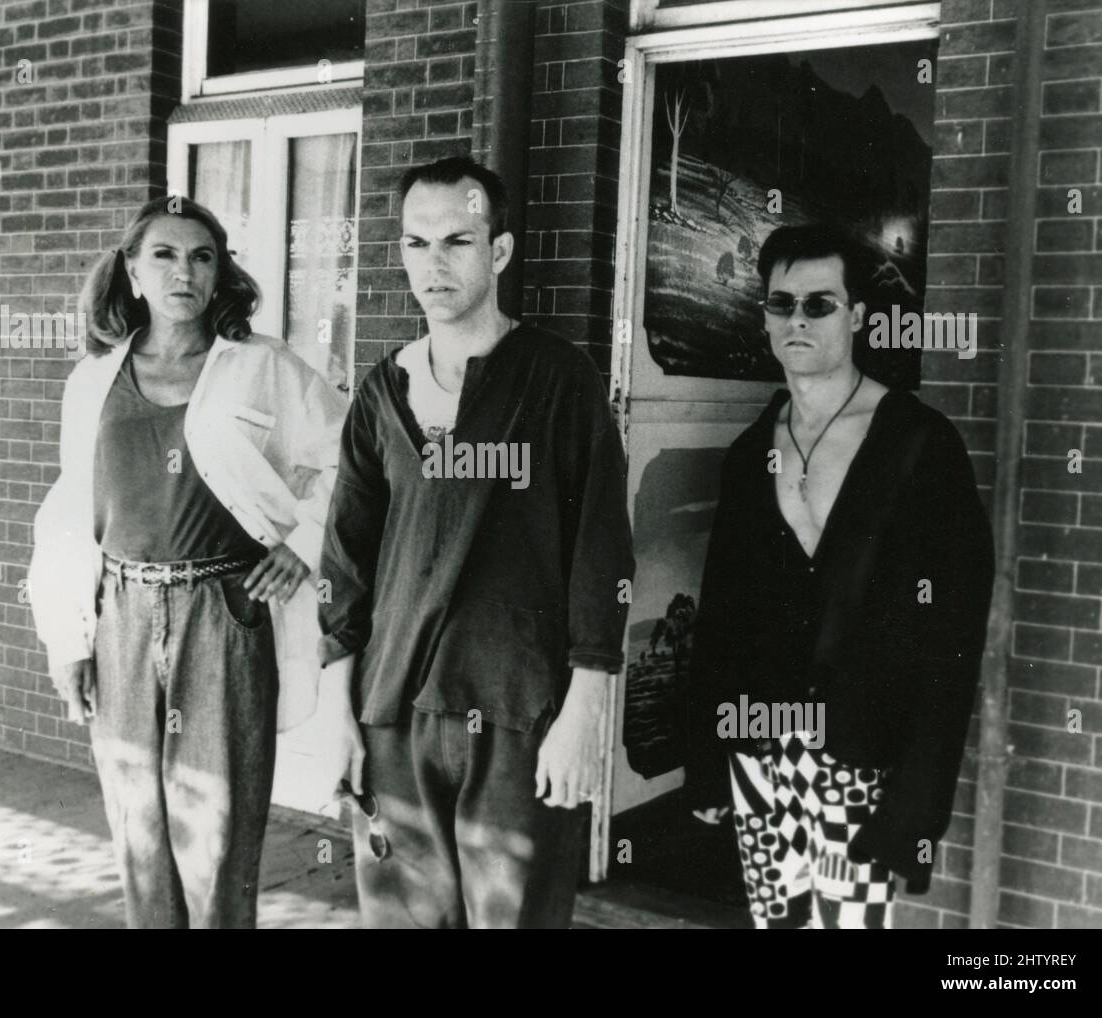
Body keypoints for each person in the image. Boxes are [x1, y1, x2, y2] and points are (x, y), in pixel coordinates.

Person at [315, 156, 634, 928]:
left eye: (458, 240)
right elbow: (345, 561)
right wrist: (338, 709)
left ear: (499, 252)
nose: (435, 263)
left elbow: (602, 549)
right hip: (396, 712)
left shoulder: (560, 380)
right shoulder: (382, 391)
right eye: (417, 244)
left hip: (520, 710)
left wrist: (586, 705)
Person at [28, 195, 347, 928]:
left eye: (203, 256)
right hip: (122, 616)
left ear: (220, 273)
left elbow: (352, 462)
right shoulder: (93, 382)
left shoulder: (263, 368)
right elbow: (70, 516)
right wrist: (66, 643)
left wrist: (301, 545)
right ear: (132, 271)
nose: (185, 271)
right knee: (138, 832)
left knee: (220, 836)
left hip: (224, 615)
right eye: (165, 255)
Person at [685, 223, 995, 929]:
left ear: (857, 316)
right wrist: (708, 756)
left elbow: (952, 639)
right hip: (760, 752)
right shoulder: (748, 454)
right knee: (776, 923)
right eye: (780, 303)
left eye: (819, 304)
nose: (796, 319)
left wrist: (916, 803)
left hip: (862, 759)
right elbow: (722, 620)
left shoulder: (919, 446)